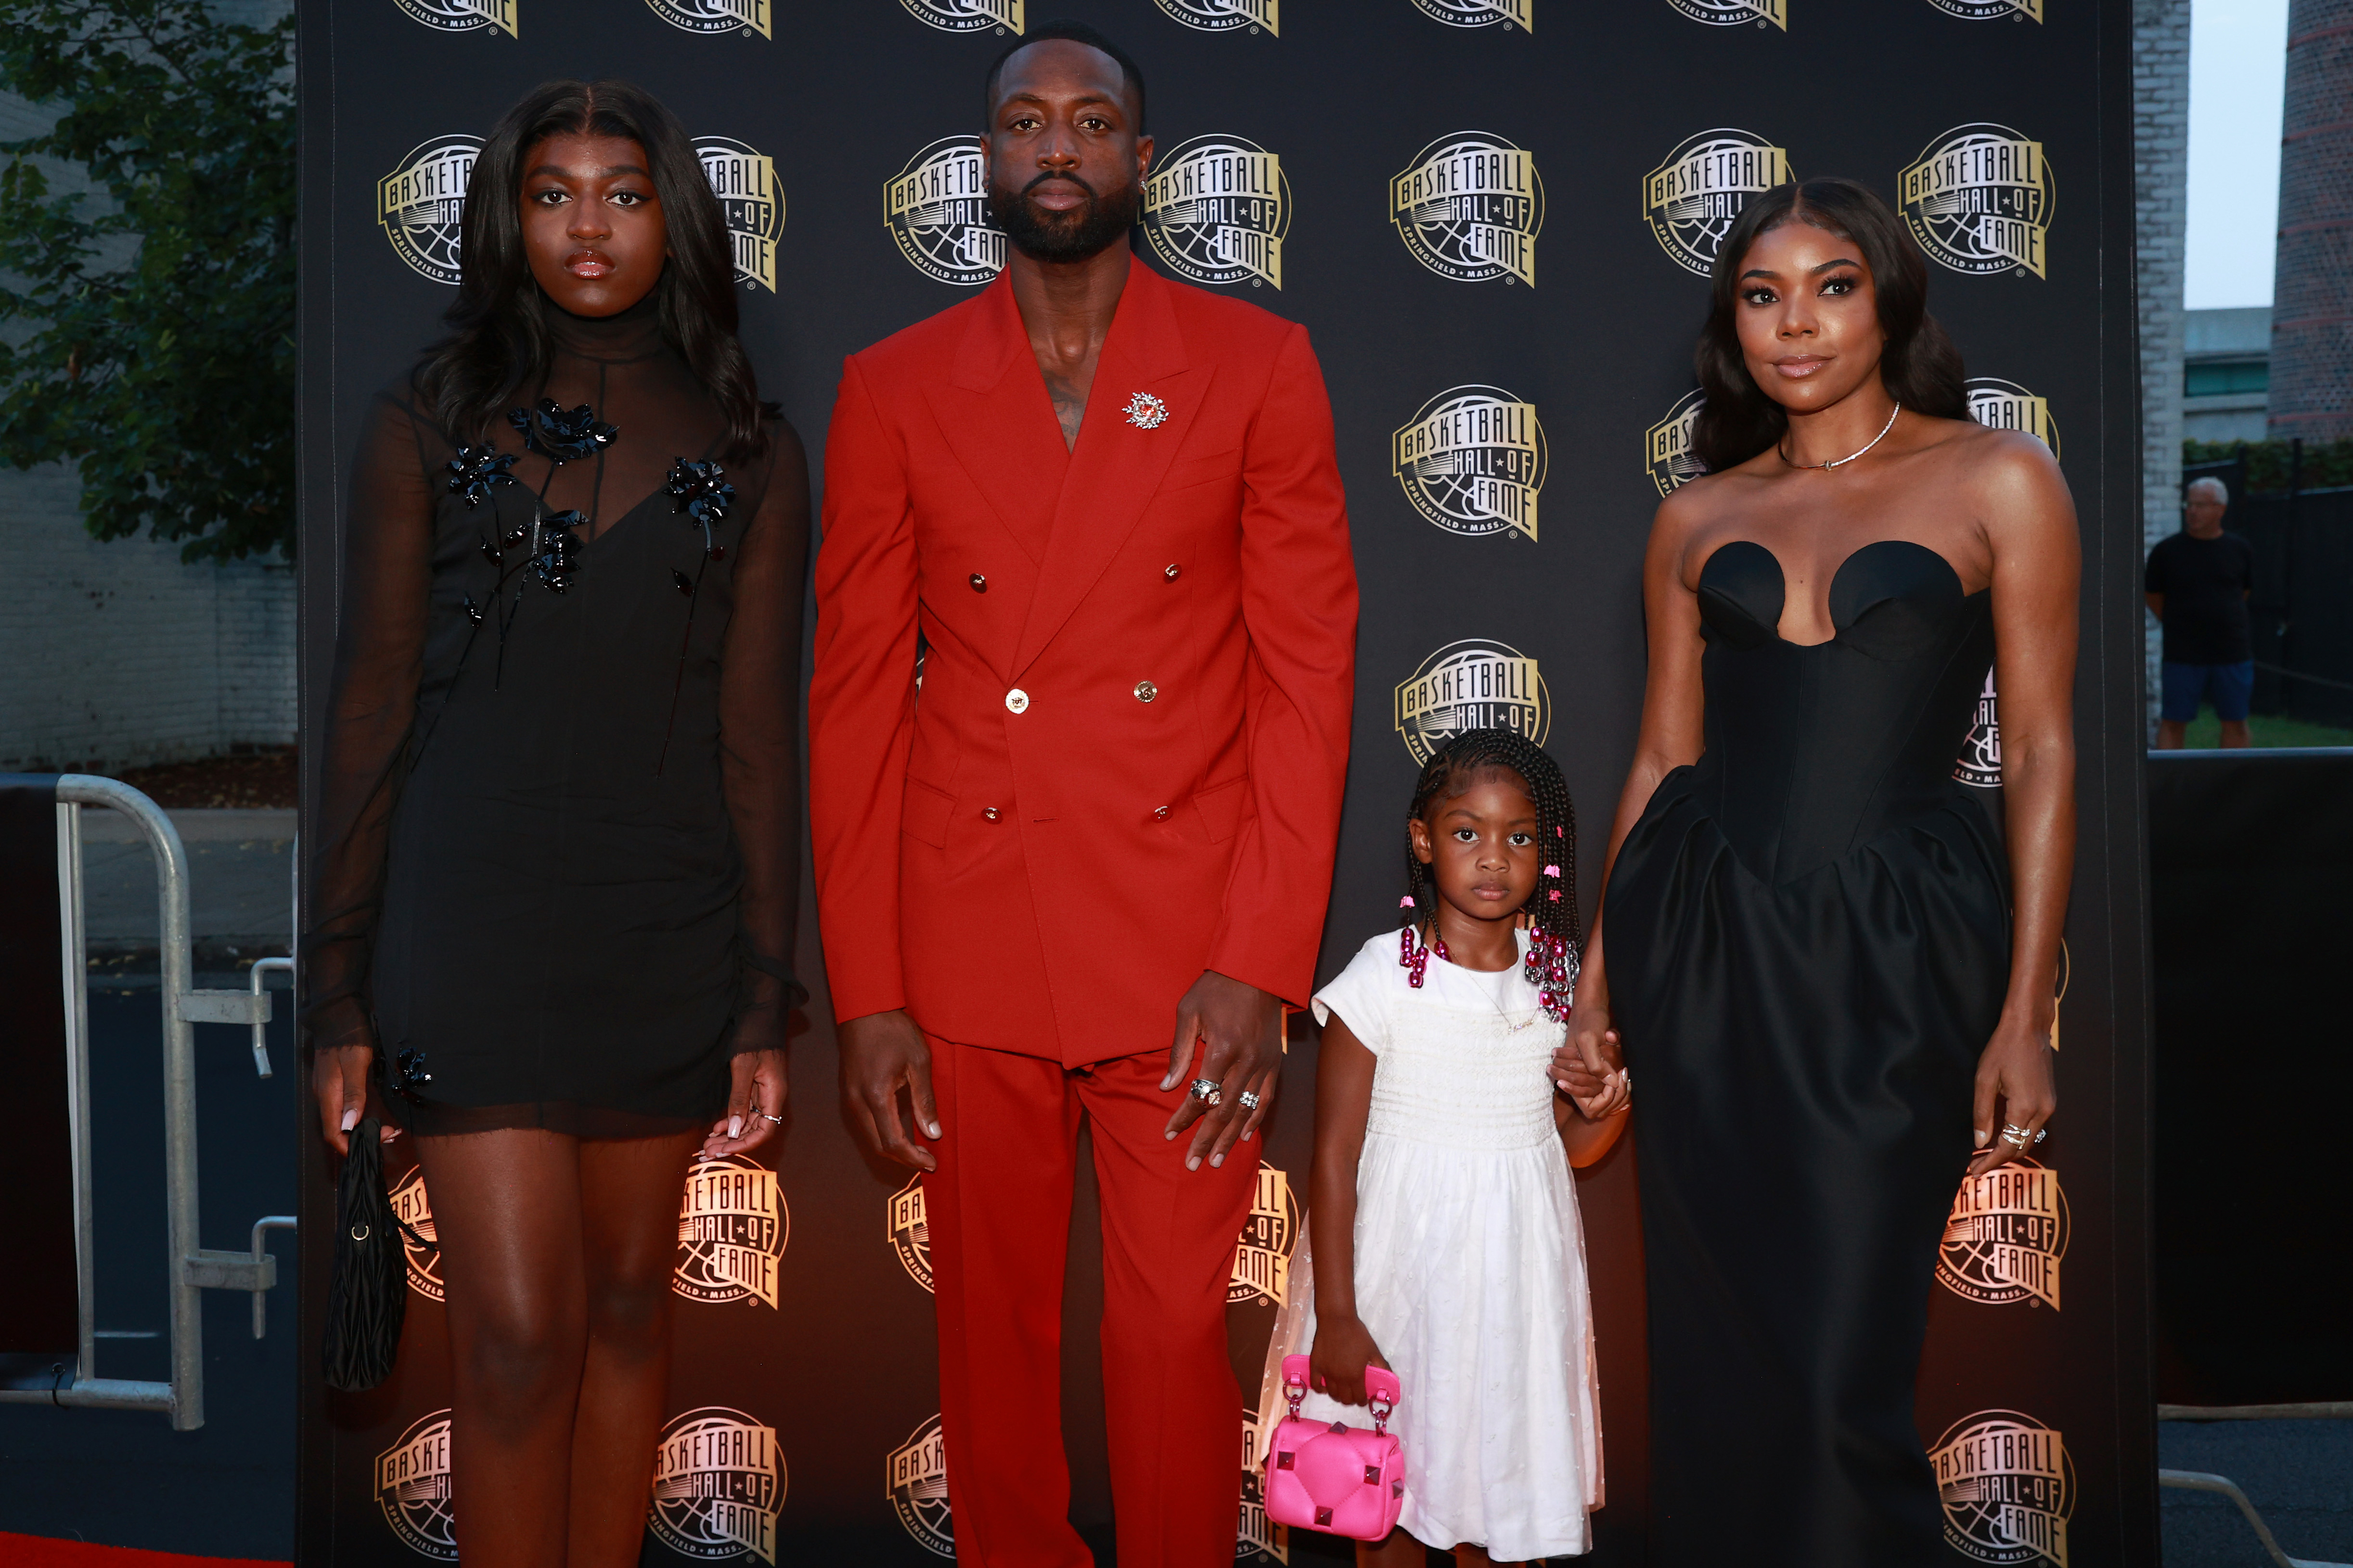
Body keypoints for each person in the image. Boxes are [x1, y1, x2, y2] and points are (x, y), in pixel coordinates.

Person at [808, 21, 1357, 1567]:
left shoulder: (1258, 366)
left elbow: (1307, 682)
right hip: (968, 921)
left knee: (1174, 1329)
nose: (1059, 146)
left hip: (1185, 941)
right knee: (988, 1343)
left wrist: (1258, 960)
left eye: (1093, 120)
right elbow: (853, 701)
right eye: (1027, 122)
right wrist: (871, 989)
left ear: (1141, 157)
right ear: (985, 159)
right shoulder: (895, 386)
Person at [305, 80, 808, 1566]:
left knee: (628, 1309)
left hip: (664, 925)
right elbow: (368, 705)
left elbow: (757, 736)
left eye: (624, 191)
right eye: (552, 192)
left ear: (675, 217)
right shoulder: (426, 418)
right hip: (468, 922)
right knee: (518, 1335)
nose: (587, 225)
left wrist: (765, 995)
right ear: (508, 218)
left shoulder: (753, 443)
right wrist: (337, 981)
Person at [1552, 178, 2076, 1566]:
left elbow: (2036, 746)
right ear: (1732, 323)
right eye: (1761, 291)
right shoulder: (1695, 515)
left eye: (1831, 284)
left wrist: (2023, 1009)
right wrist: (1601, 978)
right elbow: (1665, 755)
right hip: (1703, 942)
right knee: (1715, 1347)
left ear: (1889, 298)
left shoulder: (1996, 476)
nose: (1795, 322)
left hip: (1891, 948)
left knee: (1843, 1347)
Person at [1263, 730, 1623, 1567]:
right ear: (1424, 841)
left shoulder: (1563, 982)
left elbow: (1574, 1147)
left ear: (1547, 849)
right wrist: (1342, 1318)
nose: (1493, 857)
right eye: (1467, 832)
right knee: (1384, 1500)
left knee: (1498, 1501)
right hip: (1393, 1288)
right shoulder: (1380, 977)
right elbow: (1334, 1158)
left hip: (1513, 1296)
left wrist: (1610, 1101)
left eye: (1519, 836)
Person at [2147, 475, 2257, 749]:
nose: (2192, 511)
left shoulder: (2239, 549)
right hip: (2182, 653)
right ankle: (2169, 787)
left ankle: (2232, 787)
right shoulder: (2167, 551)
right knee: (2172, 721)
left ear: (2220, 509)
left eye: (2201, 505)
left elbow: (2244, 592)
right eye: (2189, 504)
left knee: (2236, 722)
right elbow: (2153, 595)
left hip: (2231, 650)